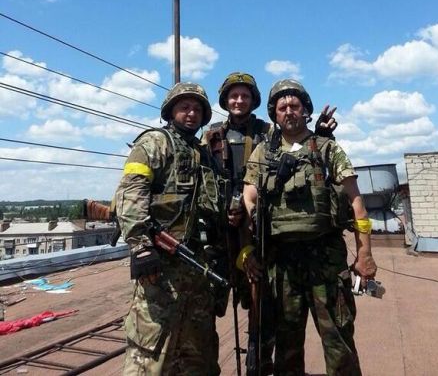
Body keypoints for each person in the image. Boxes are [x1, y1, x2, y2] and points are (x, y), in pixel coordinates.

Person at [205, 72, 338, 376]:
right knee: (208, 305)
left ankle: (260, 366)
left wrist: (319, 136)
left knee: (263, 309)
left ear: (253, 101)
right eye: (233, 96)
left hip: (260, 226)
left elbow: (300, 149)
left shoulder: (269, 132)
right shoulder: (211, 136)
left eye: (245, 96)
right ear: (225, 100)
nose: (239, 101)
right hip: (222, 231)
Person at [242, 79, 377, 376]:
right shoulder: (263, 153)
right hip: (282, 263)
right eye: (282, 107)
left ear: (306, 110)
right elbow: (248, 197)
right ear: (274, 114)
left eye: (295, 105)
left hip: (325, 259)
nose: (289, 111)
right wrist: (251, 238)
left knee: (339, 342)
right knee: (287, 347)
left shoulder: (327, 149)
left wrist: (365, 254)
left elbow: (356, 202)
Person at [115, 82, 226, 376]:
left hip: (198, 269)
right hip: (161, 269)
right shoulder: (154, 143)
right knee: (150, 354)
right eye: (184, 107)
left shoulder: (204, 154)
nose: (191, 113)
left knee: (198, 356)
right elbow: (131, 193)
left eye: (197, 109)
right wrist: (140, 247)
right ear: (170, 111)